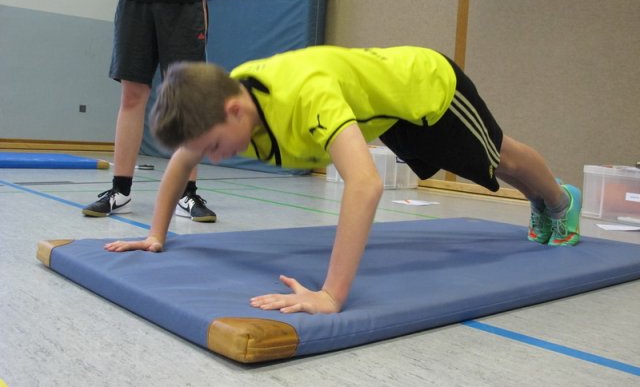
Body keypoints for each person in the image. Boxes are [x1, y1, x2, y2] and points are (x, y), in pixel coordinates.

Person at [104, 45, 582, 315]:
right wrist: (155, 235)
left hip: (428, 89)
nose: (208, 158)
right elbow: (181, 161)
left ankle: (560, 201)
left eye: (211, 146)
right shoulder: (224, 103)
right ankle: (541, 204)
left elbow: (365, 185)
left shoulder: (306, 95)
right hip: (389, 113)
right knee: (489, 169)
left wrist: (330, 294)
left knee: (499, 158)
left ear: (233, 111)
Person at [83, 0, 244, 222]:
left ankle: (186, 193)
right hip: (136, 0)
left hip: (185, 1)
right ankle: (120, 191)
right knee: (132, 96)